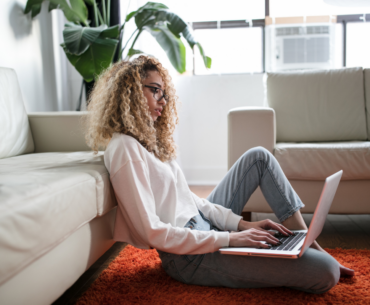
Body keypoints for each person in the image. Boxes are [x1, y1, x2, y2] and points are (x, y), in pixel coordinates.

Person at [84, 55, 354, 293]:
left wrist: (241, 225)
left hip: (204, 227)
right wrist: (229, 238)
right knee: (326, 272)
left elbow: (191, 201)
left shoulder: (148, 140)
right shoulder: (124, 148)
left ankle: (307, 241)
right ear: (130, 91)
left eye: (164, 93)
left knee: (258, 157)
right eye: (155, 91)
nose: (163, 101)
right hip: (188, 257)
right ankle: (308, 253)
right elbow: (152, 232)